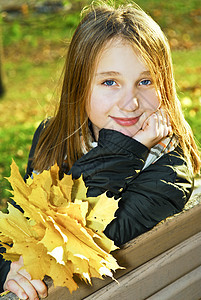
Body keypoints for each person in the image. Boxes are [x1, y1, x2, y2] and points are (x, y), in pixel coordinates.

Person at [0, 1, 200, 299]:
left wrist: (129, 148)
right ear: (79, 87)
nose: (130, 102)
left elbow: (80, 239)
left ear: (164, 87)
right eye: (110, 82)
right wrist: (10, 272)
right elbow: (23, 225)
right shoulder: (53, 138)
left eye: (145, 81)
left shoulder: (169, 173)